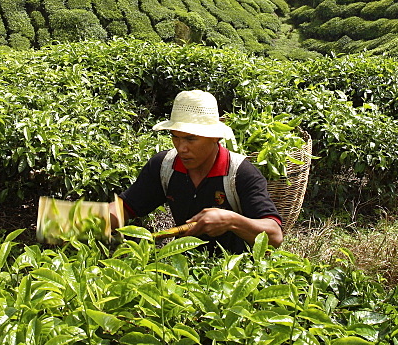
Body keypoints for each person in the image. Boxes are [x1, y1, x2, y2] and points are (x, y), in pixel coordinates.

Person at [114, 90, 283, 253]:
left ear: (215, 137)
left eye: (190, 139)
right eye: (175, 137)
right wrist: (90, 220)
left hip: (237, 271)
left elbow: (275, 236)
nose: (181, 148)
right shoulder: (164, 166)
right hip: (184, 266)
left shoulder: (240, 173)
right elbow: (125, 208)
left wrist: (231, 221)